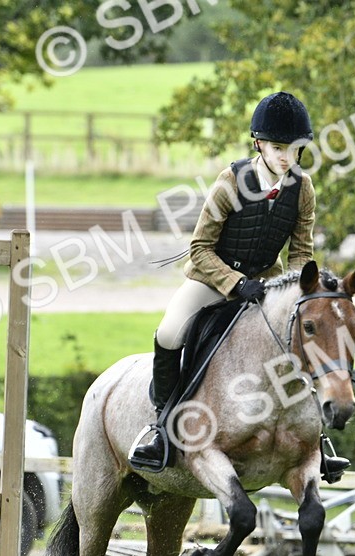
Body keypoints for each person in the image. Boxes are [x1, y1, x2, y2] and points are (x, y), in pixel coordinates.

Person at [129, 91, 317, 467]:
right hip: (212, 279)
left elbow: (301, 252)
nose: (285, 157)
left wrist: (297, 291)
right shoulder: (231, 181)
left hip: (266, 284)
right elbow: (200, 247)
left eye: (293, 149)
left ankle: (314, 438)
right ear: (258, 143)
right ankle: (162, 428)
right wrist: (235, 283)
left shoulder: (303, 188)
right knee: (169, 333)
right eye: (278, 147)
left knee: (304, 334)